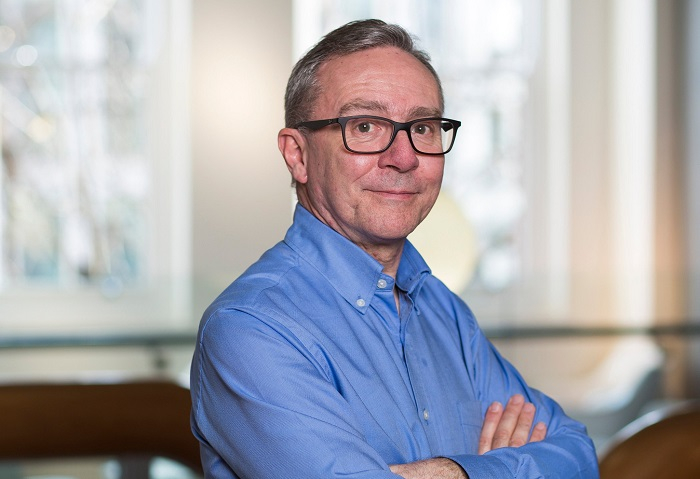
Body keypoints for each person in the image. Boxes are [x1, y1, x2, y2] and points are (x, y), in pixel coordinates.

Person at [190, 19, 599, 479]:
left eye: (422, 128)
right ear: (297, 155)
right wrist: (498, 468)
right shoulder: (250, 329)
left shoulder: (445, 312)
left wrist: (447, 472)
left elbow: (578, 454)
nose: (404, 158)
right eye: (365, 126)